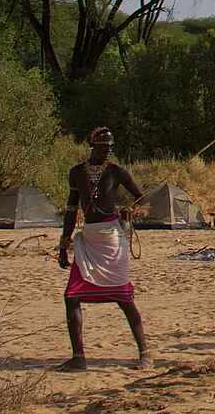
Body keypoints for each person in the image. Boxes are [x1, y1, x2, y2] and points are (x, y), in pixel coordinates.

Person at [56, 127, 149, 371]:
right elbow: (71, 210)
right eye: (103, 146)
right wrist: (64, 244)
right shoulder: (77, 173)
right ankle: (78, 358)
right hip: (89, 240)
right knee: (72, 296)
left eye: (110, 146)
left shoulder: (117, 172)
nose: (108, 150)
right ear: (93, 146)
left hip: (112, 240)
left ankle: (145, 354)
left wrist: (131, 211)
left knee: (124, 298)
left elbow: (141, 198)